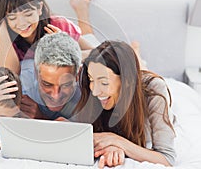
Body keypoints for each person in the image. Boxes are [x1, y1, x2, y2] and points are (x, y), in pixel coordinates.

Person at [73, 40, 176, 168]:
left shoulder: (154, 90)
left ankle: (136, 53)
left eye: (104, 83)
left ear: (126, 81)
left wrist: (116, 140)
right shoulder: (90, 88)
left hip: (140, 88)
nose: (94, 92)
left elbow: (167, 159)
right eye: (91, 79)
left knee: (142, 72)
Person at [0, 0, 94, 75]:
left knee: (88, 35)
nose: (21, 23)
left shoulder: (58, 25)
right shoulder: (6, 34)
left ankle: (81, 6)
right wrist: (0, 26)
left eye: (28, 14)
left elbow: (97, 53)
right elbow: (10, 73)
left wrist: (66, 49)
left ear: (39, 8)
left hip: (65, 31)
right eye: (12, 17)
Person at [19, 32, 82, 120]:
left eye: (66, 85)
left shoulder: (91, 90)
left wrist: (42, 118)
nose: (56, 96)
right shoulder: (20, 83)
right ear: (36, 73)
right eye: (47, 84)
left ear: (78, 75)